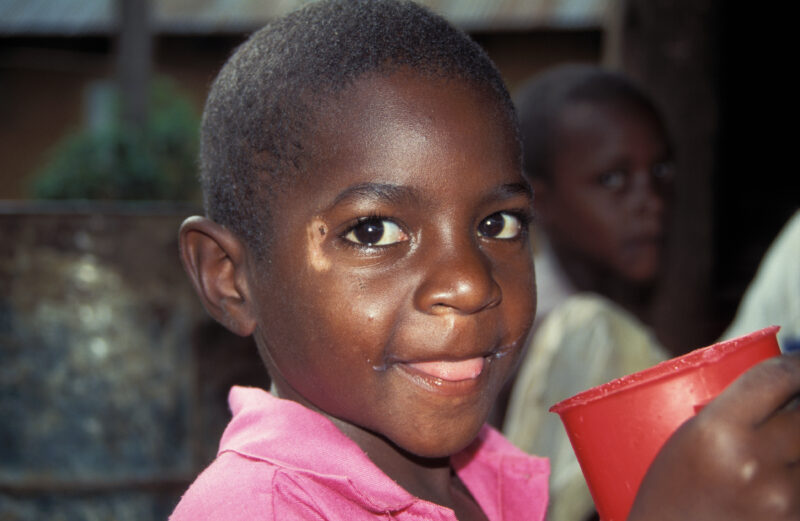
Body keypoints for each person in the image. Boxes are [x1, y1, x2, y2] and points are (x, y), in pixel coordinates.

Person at [170, 2, 800, 520]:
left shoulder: (486, 482)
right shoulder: (254, 509)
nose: (470, 284)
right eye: (374, 230)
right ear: (230, 279)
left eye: (498, 224)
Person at [501, 65, 676, 521]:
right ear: (540, 201)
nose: (651, 200)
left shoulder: (612, 319)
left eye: (661, 171)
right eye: (613, 180)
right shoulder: (572, 334)